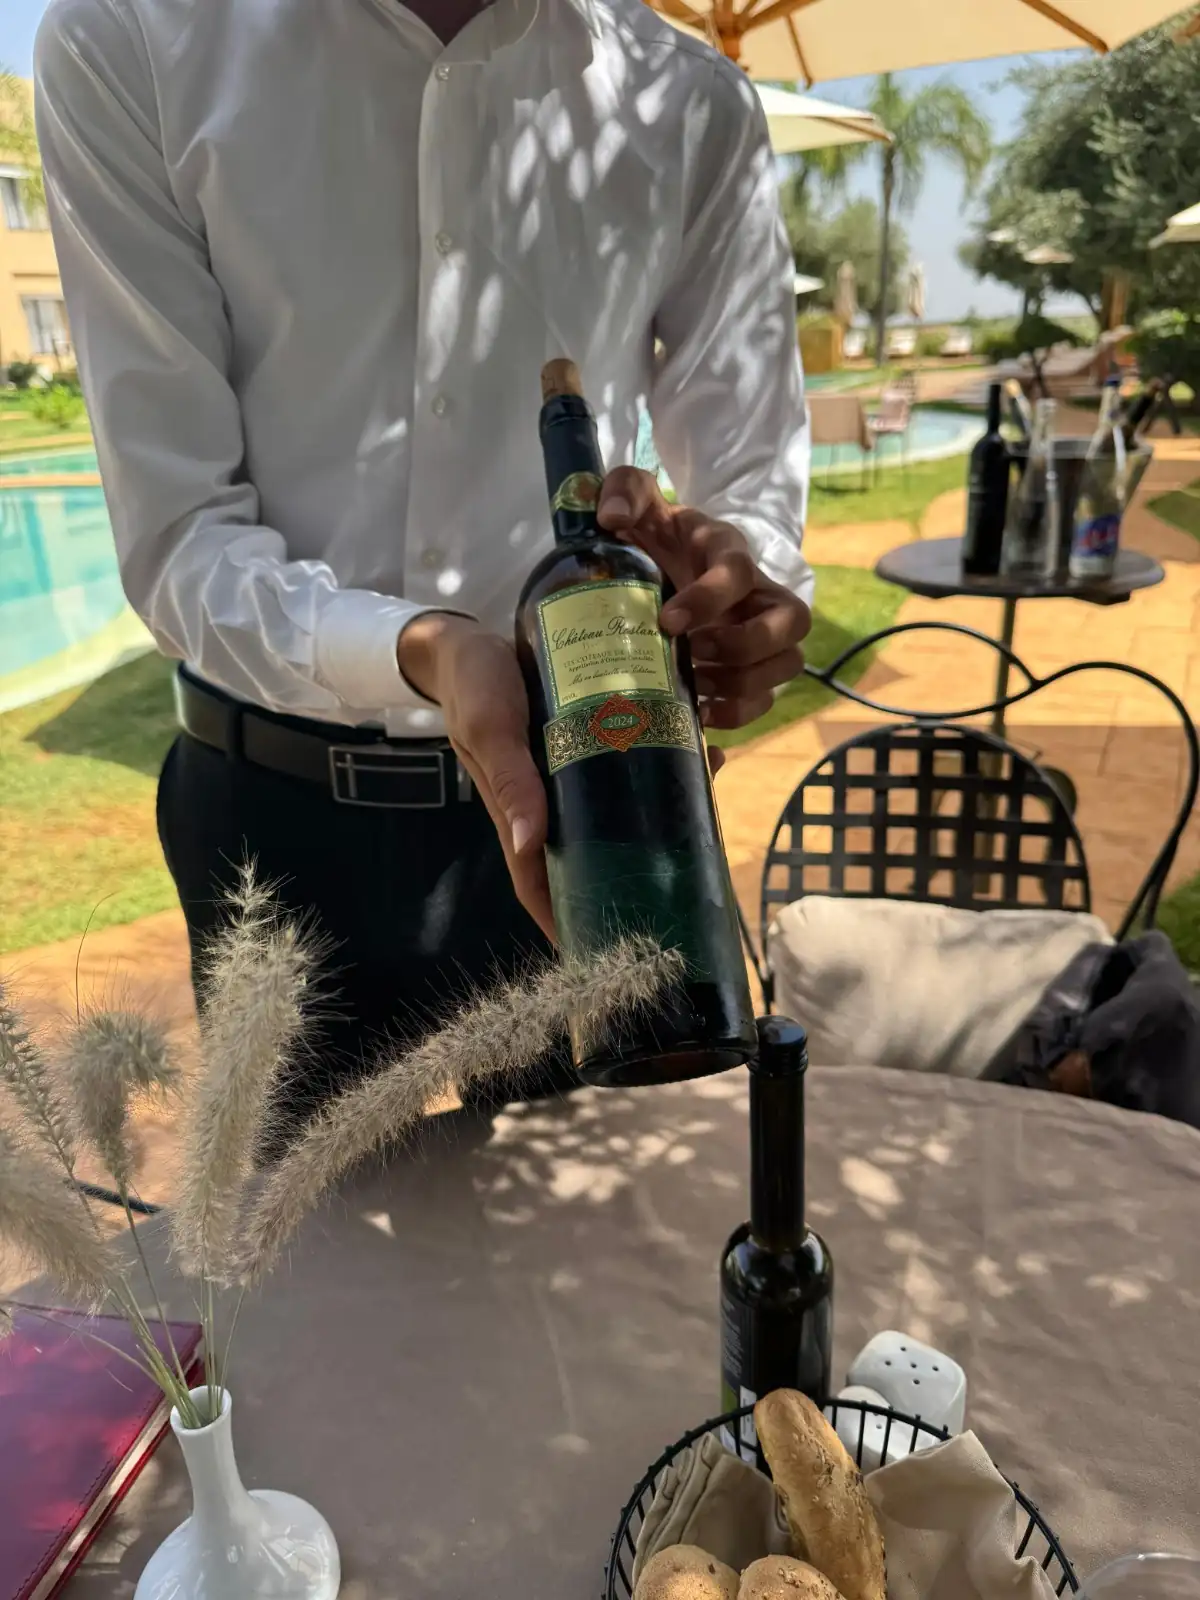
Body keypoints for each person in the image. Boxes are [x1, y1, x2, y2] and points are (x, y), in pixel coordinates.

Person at [34, 0, 812, 1129]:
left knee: (590, 1212)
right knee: (294, 1232)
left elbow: (753, 484)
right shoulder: (132, 39)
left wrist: (738, 586)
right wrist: (418, 649)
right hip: (274, 831)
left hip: (584, 801)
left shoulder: (690, 101)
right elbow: (178, 537)